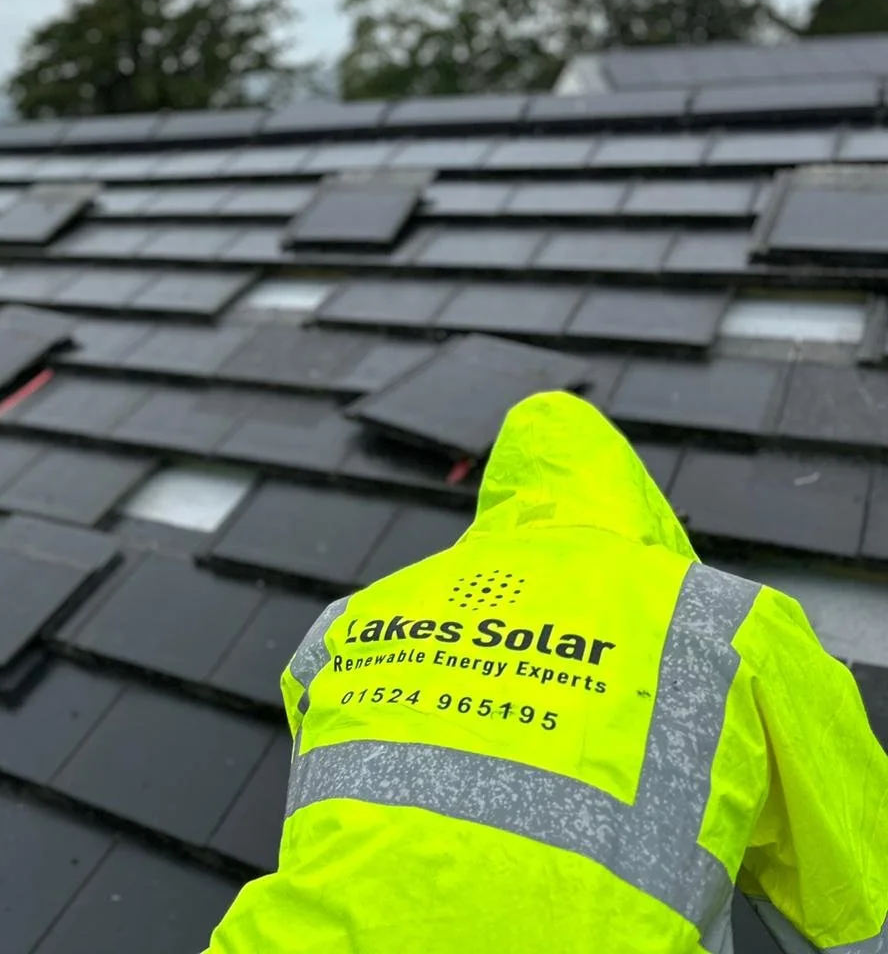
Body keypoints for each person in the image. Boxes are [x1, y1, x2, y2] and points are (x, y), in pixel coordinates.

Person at [205, 391, 888, 954]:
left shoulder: (350, 616)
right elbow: (848, 878)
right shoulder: (734, 623)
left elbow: (333, 817)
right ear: (633, 494)